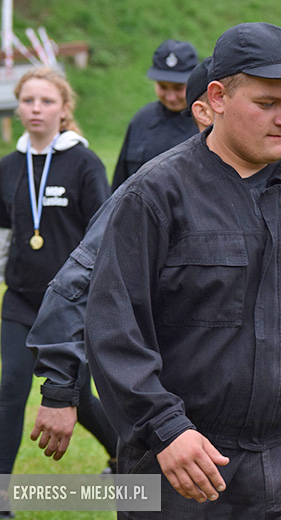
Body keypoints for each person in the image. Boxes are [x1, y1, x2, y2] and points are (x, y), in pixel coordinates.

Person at [84, 23, 281, 518]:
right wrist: (166, 429)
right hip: (188, 460)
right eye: (266, 103)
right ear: (216, 97)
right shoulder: (155, 194)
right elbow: (114, 328)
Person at [24, 57, 214, 467]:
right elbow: (82, 272)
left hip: (273, 437)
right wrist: (59, 391)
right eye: (266, 103)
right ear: (208, 108)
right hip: (168, 402)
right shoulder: (149, 178)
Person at [0, 67, 111, 493]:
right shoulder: (10, 166)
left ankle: (123, 453)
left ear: (64, 110)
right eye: (28, 100)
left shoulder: (83, 164)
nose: (35, 109)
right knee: (10, 393)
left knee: (75, 398)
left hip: (68, 307)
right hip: (21, 302)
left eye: (46, 101)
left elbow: (102, 234)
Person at [111, 39, 199, 191]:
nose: (170, 97)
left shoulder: (209, 121)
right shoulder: (142, 120)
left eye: (178, 88)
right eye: (163, 87)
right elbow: (120, 184)